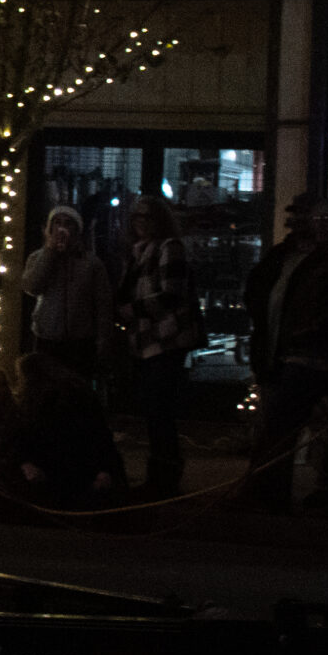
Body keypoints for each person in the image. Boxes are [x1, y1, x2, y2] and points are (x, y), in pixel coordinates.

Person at [239, 194, 328, 511]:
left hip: (317, 355)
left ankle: (278, 494)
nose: (320, 226)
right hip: (299, 353)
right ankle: (277, 494)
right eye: (317, 219)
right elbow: (263, 292)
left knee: (287, 427)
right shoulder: (303, 256)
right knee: (288, 427)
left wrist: (309, 332)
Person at [116, 196, 204, 497]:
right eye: (136, 217)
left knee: (159, 409)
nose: (140, 222)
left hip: (166, 342)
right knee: (154, 410)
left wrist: (132, 310)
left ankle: (164, 475)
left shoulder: (169, 248)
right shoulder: (138, 253)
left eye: (147, 217)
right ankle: (161, 473)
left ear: (160, 220)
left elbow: (171, 295)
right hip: (148, 342)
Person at [1, 352, 125, 507]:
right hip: (81, 471)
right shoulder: (78, 394)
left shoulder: (38, 402)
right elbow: (101, 436)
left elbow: (24, 438)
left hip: (59, 476)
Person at [19, 204, 111, 379]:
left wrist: (103, 341)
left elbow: (103, 306)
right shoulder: (37, 257)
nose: (62, 228)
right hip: (47, 339)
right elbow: (31, 286)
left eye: (68, 223)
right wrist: (49, 252)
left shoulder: (92, 264)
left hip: (81, 342)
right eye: (57, 223)